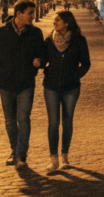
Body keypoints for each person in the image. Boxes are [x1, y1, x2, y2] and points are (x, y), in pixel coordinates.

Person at [0, 0, 44, 169]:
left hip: (26, 83)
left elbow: (43, 55)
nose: (33, 16)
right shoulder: (0, 33)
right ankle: (15, 151)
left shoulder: (35, 33)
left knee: (23, 119)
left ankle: (22, 155)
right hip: (6, 83)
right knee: (10, 121)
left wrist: (39, 62)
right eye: (30, 13)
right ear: (19, 13)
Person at [39, 10, 91, 173]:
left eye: (58, 20)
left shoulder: (79, 41)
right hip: (51, 87)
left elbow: (86, 63)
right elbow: (43, 61)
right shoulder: (48, 41)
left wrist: (75, 75)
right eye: (55, 20)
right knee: (53, 123)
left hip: (71, 88)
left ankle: (65, 156)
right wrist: (39, 63)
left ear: (67, 23)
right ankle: (53, 159)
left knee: (67, 122)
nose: (55, 22)